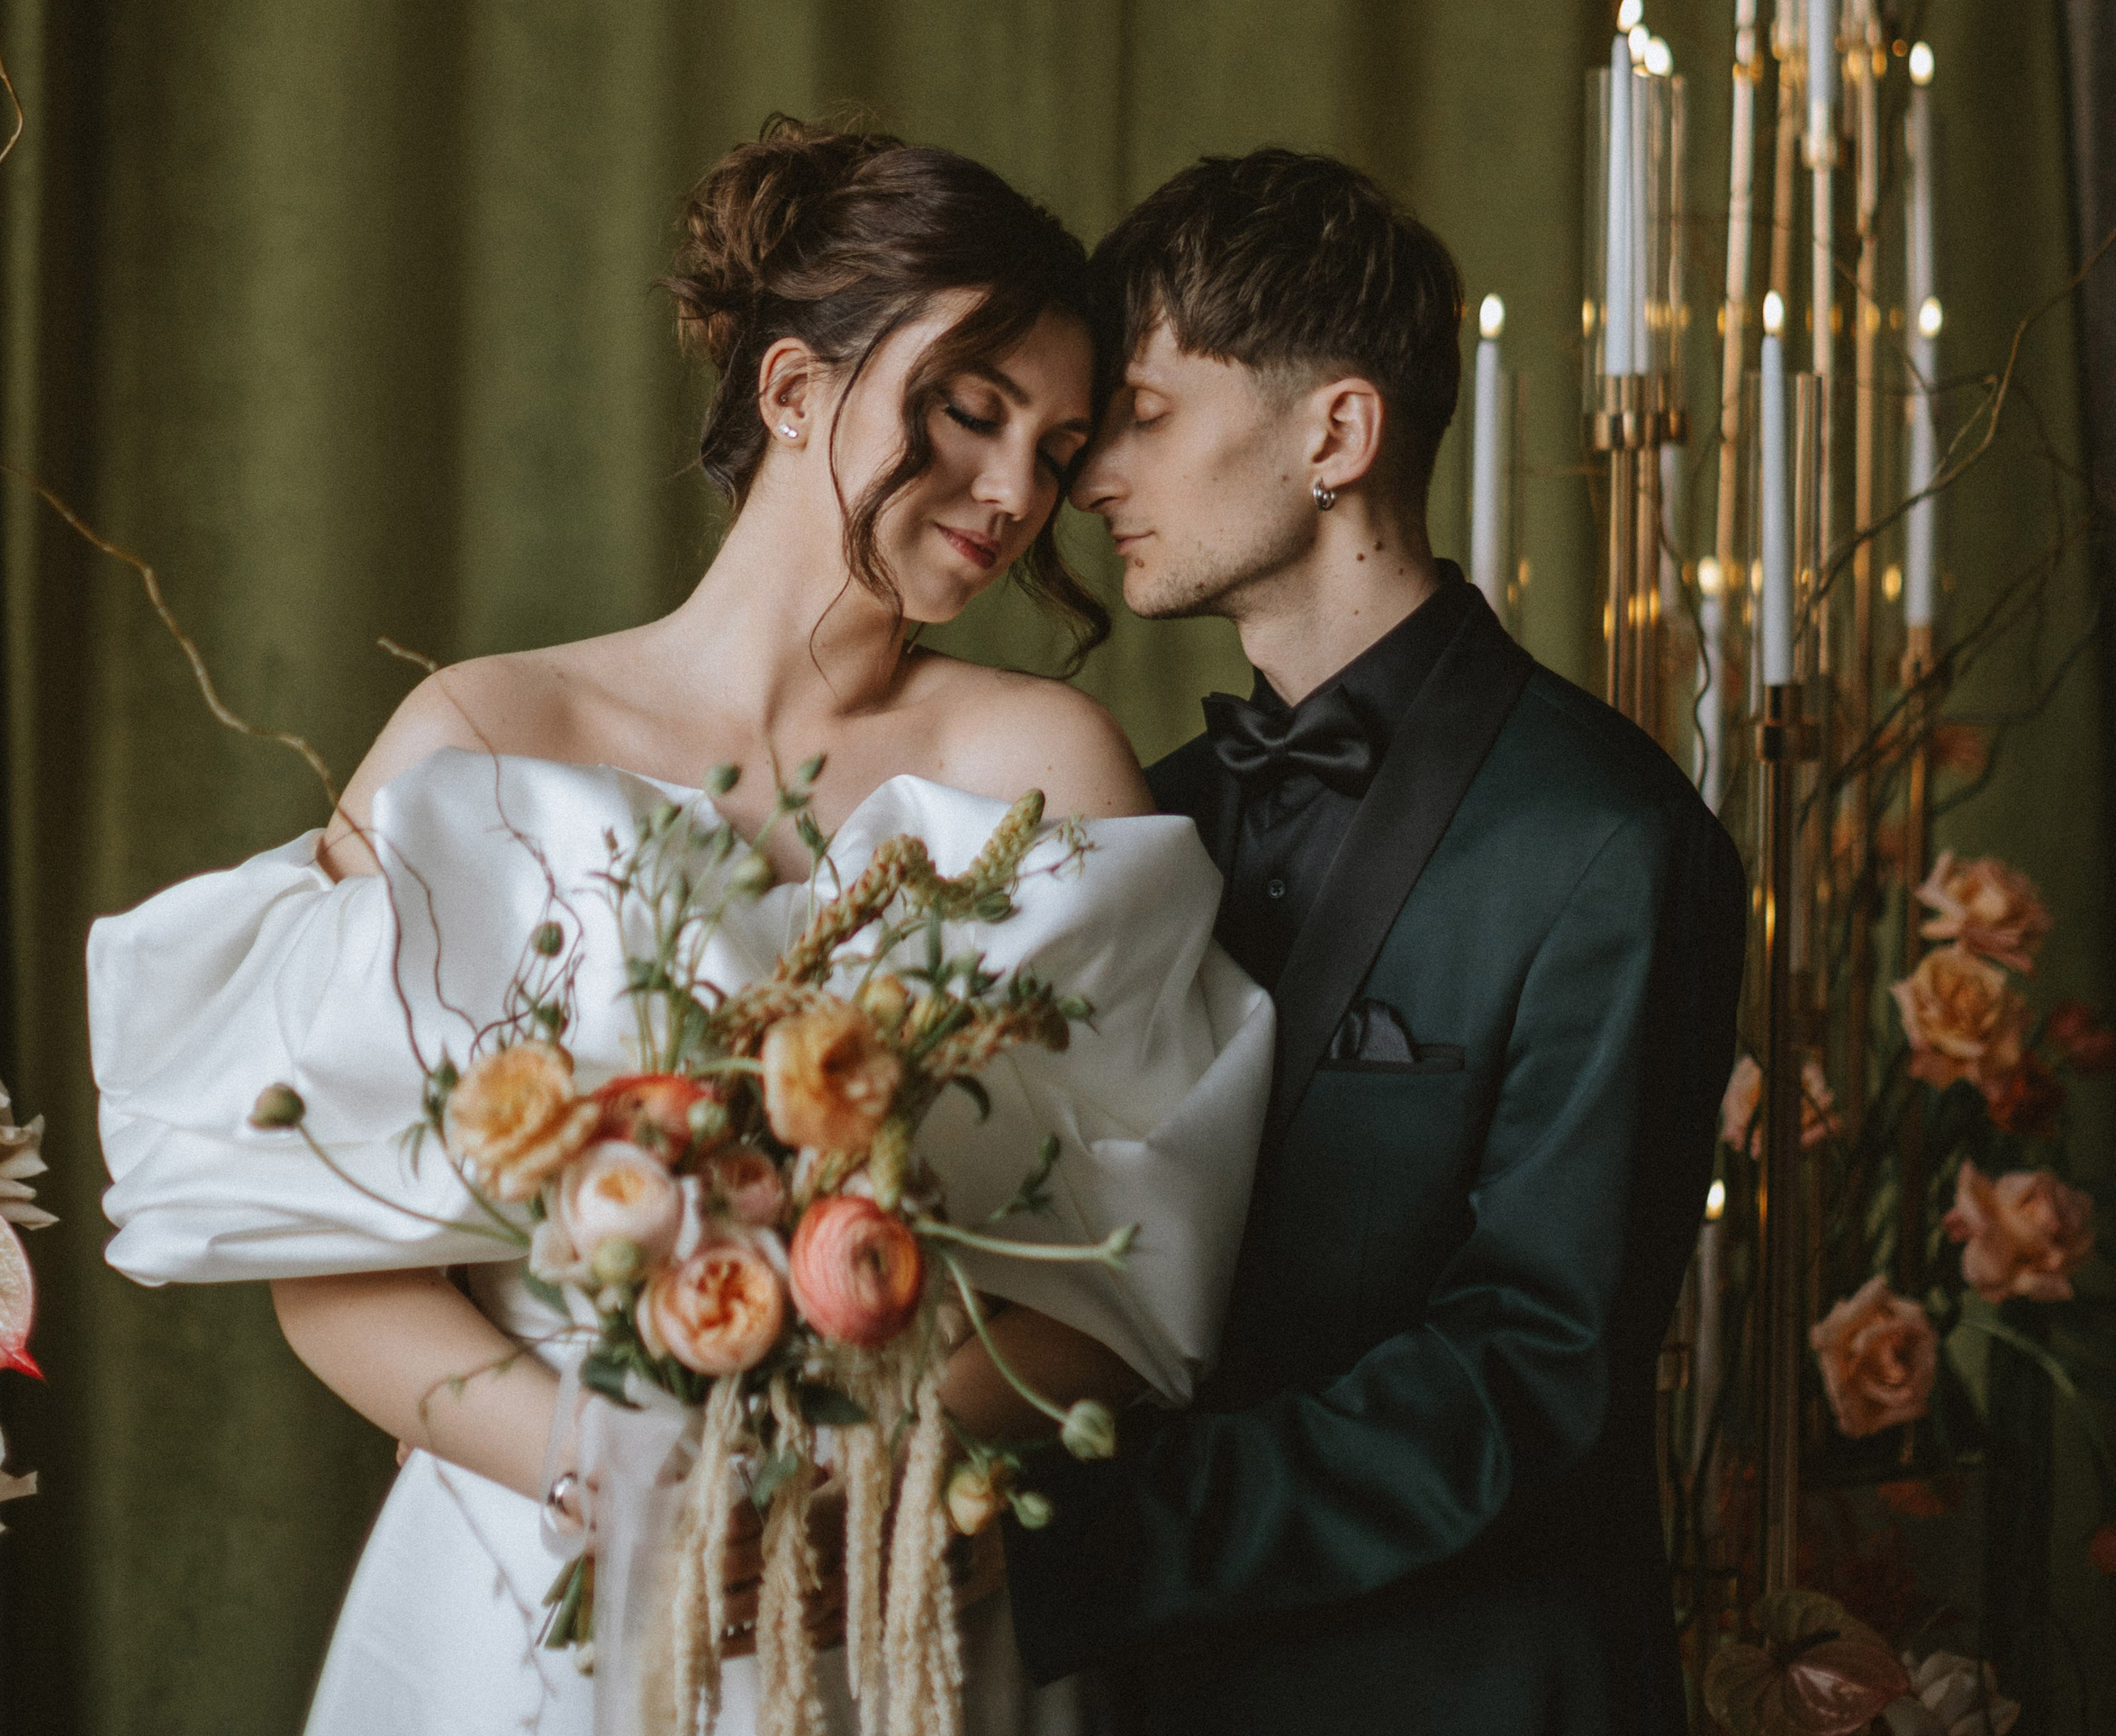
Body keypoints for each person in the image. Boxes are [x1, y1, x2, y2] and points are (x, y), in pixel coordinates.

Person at [87, 120, 1272, 1736]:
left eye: (1059, 451)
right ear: (793, 390)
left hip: (882, 1589)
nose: (1015, 492)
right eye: (968, 411)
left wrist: (855, 1477)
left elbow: (1128, 1264)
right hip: (529, 1583)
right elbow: (331, 1253)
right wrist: (614, 1468)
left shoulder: (1045, 770)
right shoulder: (484, 737)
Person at [1004, 148, 1748, 1736]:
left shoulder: (1610, 841)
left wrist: (1060, 1542)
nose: (1086, 483)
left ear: (1336, 432)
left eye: (1143, 413)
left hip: (1468, 1689)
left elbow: (1531, 1368)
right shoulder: (1150, 819)